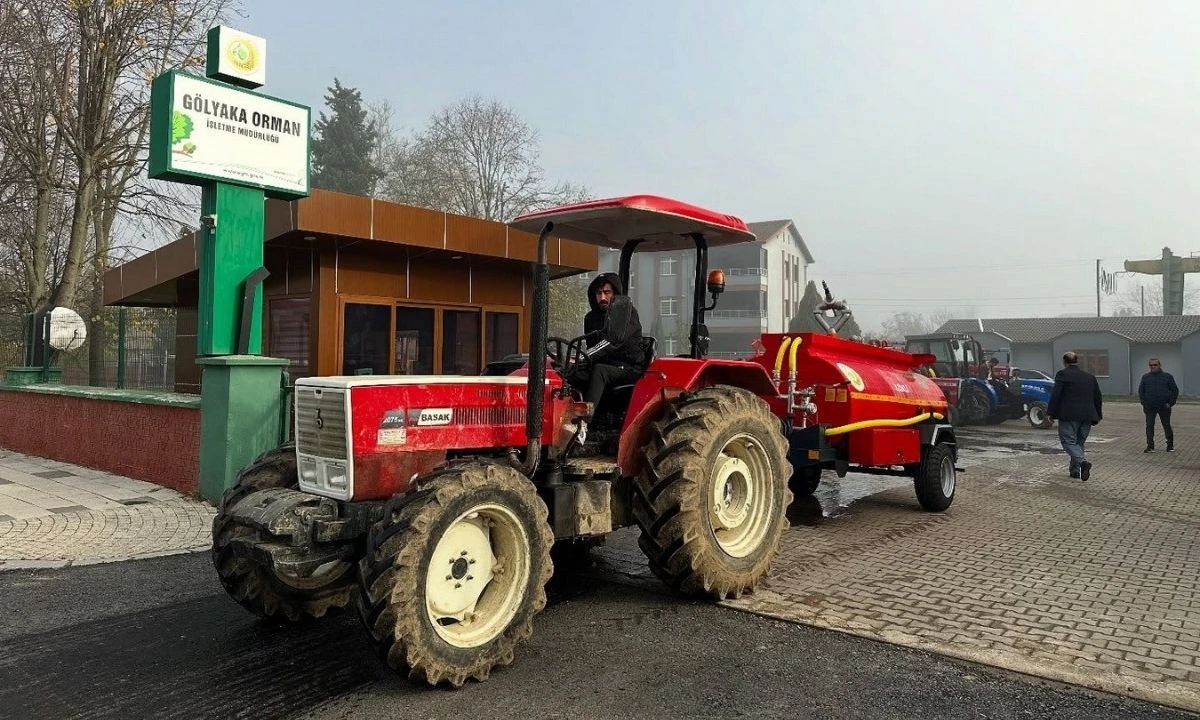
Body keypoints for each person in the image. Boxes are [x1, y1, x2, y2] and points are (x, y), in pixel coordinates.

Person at [571, 272, 646, 415]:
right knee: (569, 372)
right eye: (599, 293)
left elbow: (612, 342)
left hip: (628, 367)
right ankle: (562, 417)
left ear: (615, 294)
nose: (602, 298)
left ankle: (583, 421)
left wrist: (583, 358)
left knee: (600, 370)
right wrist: (575, 363)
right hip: (606, 363)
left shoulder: (626, 315)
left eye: (607, 292)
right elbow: (592, 347)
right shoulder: (591, 318)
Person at [1047, 351, 1103, 481]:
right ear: (1077, 361)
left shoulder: (1063, 374)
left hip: (1069, 415)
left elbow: (1056, 395)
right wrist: (1098, 415)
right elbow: (1098, 397)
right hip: (1087, 415)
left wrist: (1050, 413)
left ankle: (1083, 463)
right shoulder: (1089, 377)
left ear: (1064, 362)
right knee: (1079, 443)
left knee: (1068, 441)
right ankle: (1075, 470)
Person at [1138, 358, 1178, 452]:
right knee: (1149, 426)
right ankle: (1150, 446)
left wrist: (1170, 403)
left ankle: (1170, 446)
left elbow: (1174, 390)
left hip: (1164, 406)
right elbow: (1141, 391)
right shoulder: (1146, 377)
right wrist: (1144, 403)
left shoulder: (1167, 377)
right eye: (1151, 365)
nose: (1153, 367)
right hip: (1150, 406)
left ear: (1160, 365)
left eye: (1155, 365)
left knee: (1166, 425)